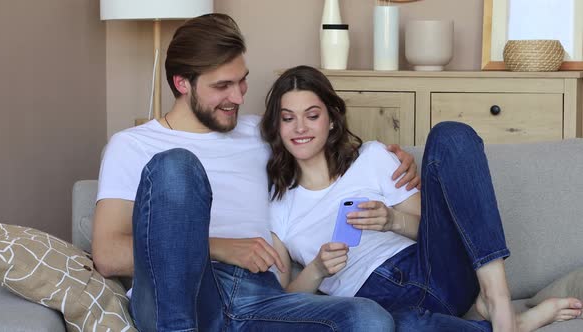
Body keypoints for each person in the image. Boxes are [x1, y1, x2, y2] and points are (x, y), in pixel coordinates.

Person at [91, 14, 421, 331]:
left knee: (369, 319)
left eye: (242, 80)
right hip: (179, 293)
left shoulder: (260, 133)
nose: (237, 97)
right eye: (223, 86)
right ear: (182, 84)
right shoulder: (132, 145)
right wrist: (218, 247)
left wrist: (397, 159)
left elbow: (318, 138)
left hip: (259, 297)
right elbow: (107, 255)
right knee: (176, 166)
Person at [260, 65, 583, 332]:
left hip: (432, 269)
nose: (300, 127)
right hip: (378, 305)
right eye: (288, 118)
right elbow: (285, 301)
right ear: (277, 125)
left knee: (450, 135)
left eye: (311, 115)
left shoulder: (371, 158)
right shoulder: (277, 205)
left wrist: (392, 220)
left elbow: (436, 231)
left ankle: (497, 301)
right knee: (393, 326)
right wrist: (316, 269)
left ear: (331, 120)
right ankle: (517, 324)